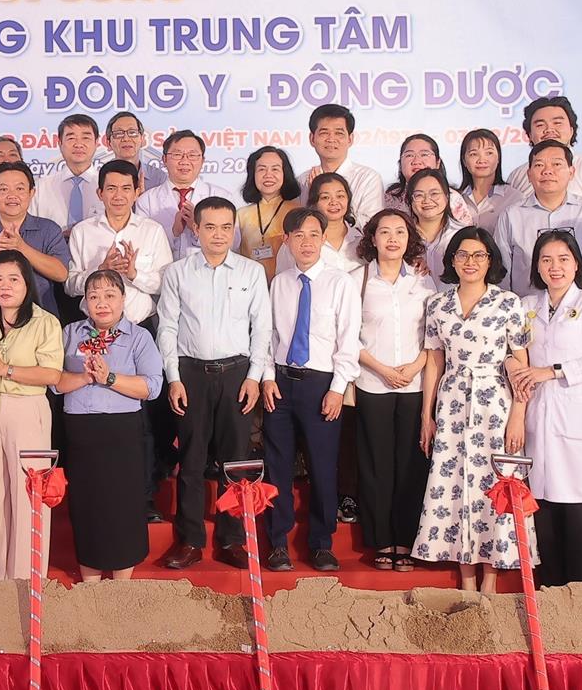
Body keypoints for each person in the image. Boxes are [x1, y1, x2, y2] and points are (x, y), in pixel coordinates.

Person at [414, 226, 530, 593]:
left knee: (494, 485)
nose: (470, 262)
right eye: (462, 255)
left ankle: (490, 582)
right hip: (451, 403)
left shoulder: (508, 303)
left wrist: (518, 414)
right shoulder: (438, 304)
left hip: (495, 402)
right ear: (451, 260)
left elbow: (521, 363)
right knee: (455, 485)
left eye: (479, 255)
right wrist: (427, 416)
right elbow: (434, 361)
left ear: (490, 260)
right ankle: (466, 580)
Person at [157, 197, 271, 569]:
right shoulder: (177, 273)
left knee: (235, 461)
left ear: (233, 229)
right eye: (210, 227)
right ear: (196, 229)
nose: (218, 235)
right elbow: (167, 327)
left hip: (237, 373)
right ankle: (190, 540)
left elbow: (262, 328)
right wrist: (173, 378)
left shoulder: (251, 272)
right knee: (190, 460)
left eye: (225, 227)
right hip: (191, 373)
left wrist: (254, 377)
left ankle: (232, 539)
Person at [510, 230, 582, 587]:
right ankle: (553, 599)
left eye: (563, 259)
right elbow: (510, 350)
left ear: (576, 264)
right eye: (546, 260)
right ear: (537, 267)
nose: (554, 267)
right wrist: (515, 367)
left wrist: (553, 371)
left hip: (579, 417)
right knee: (546, 512)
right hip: (538, 416)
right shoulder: (526, 306)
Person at [257, 206, 357, 571]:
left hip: (322, 385)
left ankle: (321, 543)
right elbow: (268, 336)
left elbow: (349, 339)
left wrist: (338, 388)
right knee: (277, 465)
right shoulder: (279, 283)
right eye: (298, 235)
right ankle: (277, 543)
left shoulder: (340, 282)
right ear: (286, 240)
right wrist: (268, 376)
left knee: (323, 466)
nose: (307, 242)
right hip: (281, 383)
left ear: (324, 238)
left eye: (314, 234)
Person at [55, 269, 163, 580]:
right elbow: (55, 382)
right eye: (94, 296)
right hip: (81, 433)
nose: (101, 303)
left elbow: (152, 387)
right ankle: (90, 585)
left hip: (122, 431)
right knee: (87, 505)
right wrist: (84, 377)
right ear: (85, 302)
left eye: (109, 295)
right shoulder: (70, 333)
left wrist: (109, 378)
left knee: (122, 506)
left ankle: (120, 589)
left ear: (123, 299)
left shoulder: (138, 337)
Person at [0, 249, 65, 580]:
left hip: (28, 408)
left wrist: (4, 368)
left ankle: (26, 581)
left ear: (27, 284)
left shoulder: (45, 322)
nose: (4, 286)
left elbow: (52, 375)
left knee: (29, 496)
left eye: (13, 279)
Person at [351, 209, 435, 572]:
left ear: (409, 238)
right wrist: (383, 369)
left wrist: (414, 367)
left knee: (411, 464)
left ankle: (407, 539)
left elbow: (434, 336)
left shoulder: (423, 281)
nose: (392, 239)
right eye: (384, 232)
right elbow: (346, 336)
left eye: (400, 232)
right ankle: (382, 540)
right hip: (372, 383)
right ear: (372, 238)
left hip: (414, 384)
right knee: (376, 465)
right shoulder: (356, 280)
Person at [0, 162, 71, 316]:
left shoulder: (49, 229)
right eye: (4, 189)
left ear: (31, 193)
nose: (12, 195)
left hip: (40, 319)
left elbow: (61, 273)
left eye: (20, 188)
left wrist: (22, 247)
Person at [491, 141, 582, 293]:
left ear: (571, 172)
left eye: (556, 164)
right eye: (539, 165)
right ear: (529, 174)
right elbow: (501, 273)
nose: (547, 171)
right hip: (526, 305)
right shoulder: (511, 215)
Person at [68, 159, 174, 327]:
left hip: (141, 327)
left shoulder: (153, 231)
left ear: (136, 193)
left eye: (126, 189)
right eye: (111, 189)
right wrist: (100, 270)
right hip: (92, 329)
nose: (118, 196)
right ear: (100, 193)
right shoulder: (82, 232)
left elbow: (166, 284)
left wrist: (134, 275)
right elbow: (69, 286)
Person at [507, 96, 582, 210]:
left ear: (571, 130)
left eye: (557, 123)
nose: (549, 129)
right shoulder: (517, 177)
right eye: (540, 125)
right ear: (529, 135)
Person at [139, 130, 231, 261]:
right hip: (163, 272)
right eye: (177, 155)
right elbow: (142, 245)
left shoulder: (222, 197)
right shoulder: (147, 201)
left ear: (202, 160)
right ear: (164, 160)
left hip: (208, 271)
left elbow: (233, 244)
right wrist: (173, 231)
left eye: (192, 155)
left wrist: (198, 227)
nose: (184, 161)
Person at [307, 104, 384, 218]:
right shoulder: (303, 181)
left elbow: (371, 223)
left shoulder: (367, 178)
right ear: (312, 139)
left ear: (350, 139)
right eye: (324, 133)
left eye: (339, 133)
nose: (331, 139)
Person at [235, 145, 300, 279]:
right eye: (261, 169)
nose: (268, 175)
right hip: (249, 283)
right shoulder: (241, 215)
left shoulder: (298, 211)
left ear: (285, 173)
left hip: (289, 283)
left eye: (275, 169)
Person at [34, 113, 105, 231]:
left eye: (86, 138)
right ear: (60, 143)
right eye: (71, 138)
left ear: (96, 142)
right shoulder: (41, 187)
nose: (78, 144)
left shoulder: (108, 186)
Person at [385, 134, 469, 222]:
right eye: (409, 155)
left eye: (424, 154)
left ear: (437, 162)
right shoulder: (390, 197)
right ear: (400, 163)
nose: (416, 161)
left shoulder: (453, 198)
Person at [405, 168, 458, 279]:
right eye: (419, 195)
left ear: (447, 197)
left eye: (434, 194)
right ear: (410, 201)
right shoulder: (402, 236)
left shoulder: (463, 234)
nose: (427, 200)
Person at [457, 128, 514, 231]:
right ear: (464, 161)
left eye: (489, 153)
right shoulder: (456, 199)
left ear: (498, 158)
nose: (481, 160)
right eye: (474, 154)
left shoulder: (514, 198)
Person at [306, 171, 362, 273]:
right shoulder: (300, 240)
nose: (334, 202)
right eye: (325, 197)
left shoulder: (362, 239)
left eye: (340, 196)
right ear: (314, 203)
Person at [105, 110, 167, 190]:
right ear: (109, 143)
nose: (126, 138)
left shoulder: (159, 178)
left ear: (142, 139)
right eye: (119, 133)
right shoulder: (100, 177)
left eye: (132, 133)